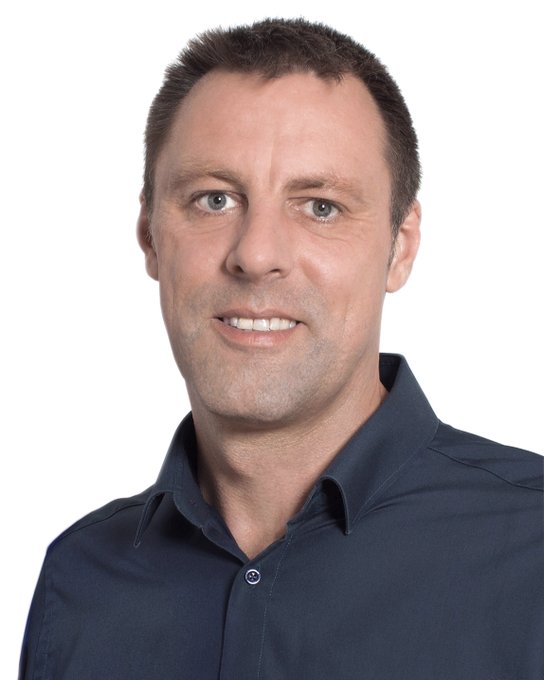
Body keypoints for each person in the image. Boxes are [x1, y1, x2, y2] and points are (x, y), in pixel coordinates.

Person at [19, 18, 543, 680]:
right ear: (149, 235)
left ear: (400, 247)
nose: (256, 254)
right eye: (214, 199)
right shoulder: (80, 581)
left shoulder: (532, 551)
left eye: (320, 206)